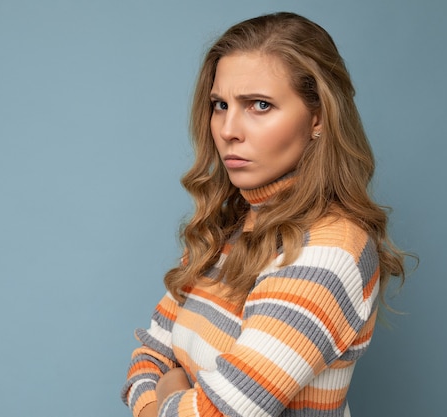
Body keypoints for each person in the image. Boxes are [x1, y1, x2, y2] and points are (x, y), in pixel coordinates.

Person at [121, 12, 406, 417]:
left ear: (318, 118)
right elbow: (147, 356)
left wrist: (167, 389)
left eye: (259, 105)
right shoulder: (224, 229)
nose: (228, 129)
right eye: (220, 105)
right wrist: (171, 398)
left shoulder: (330, 250)